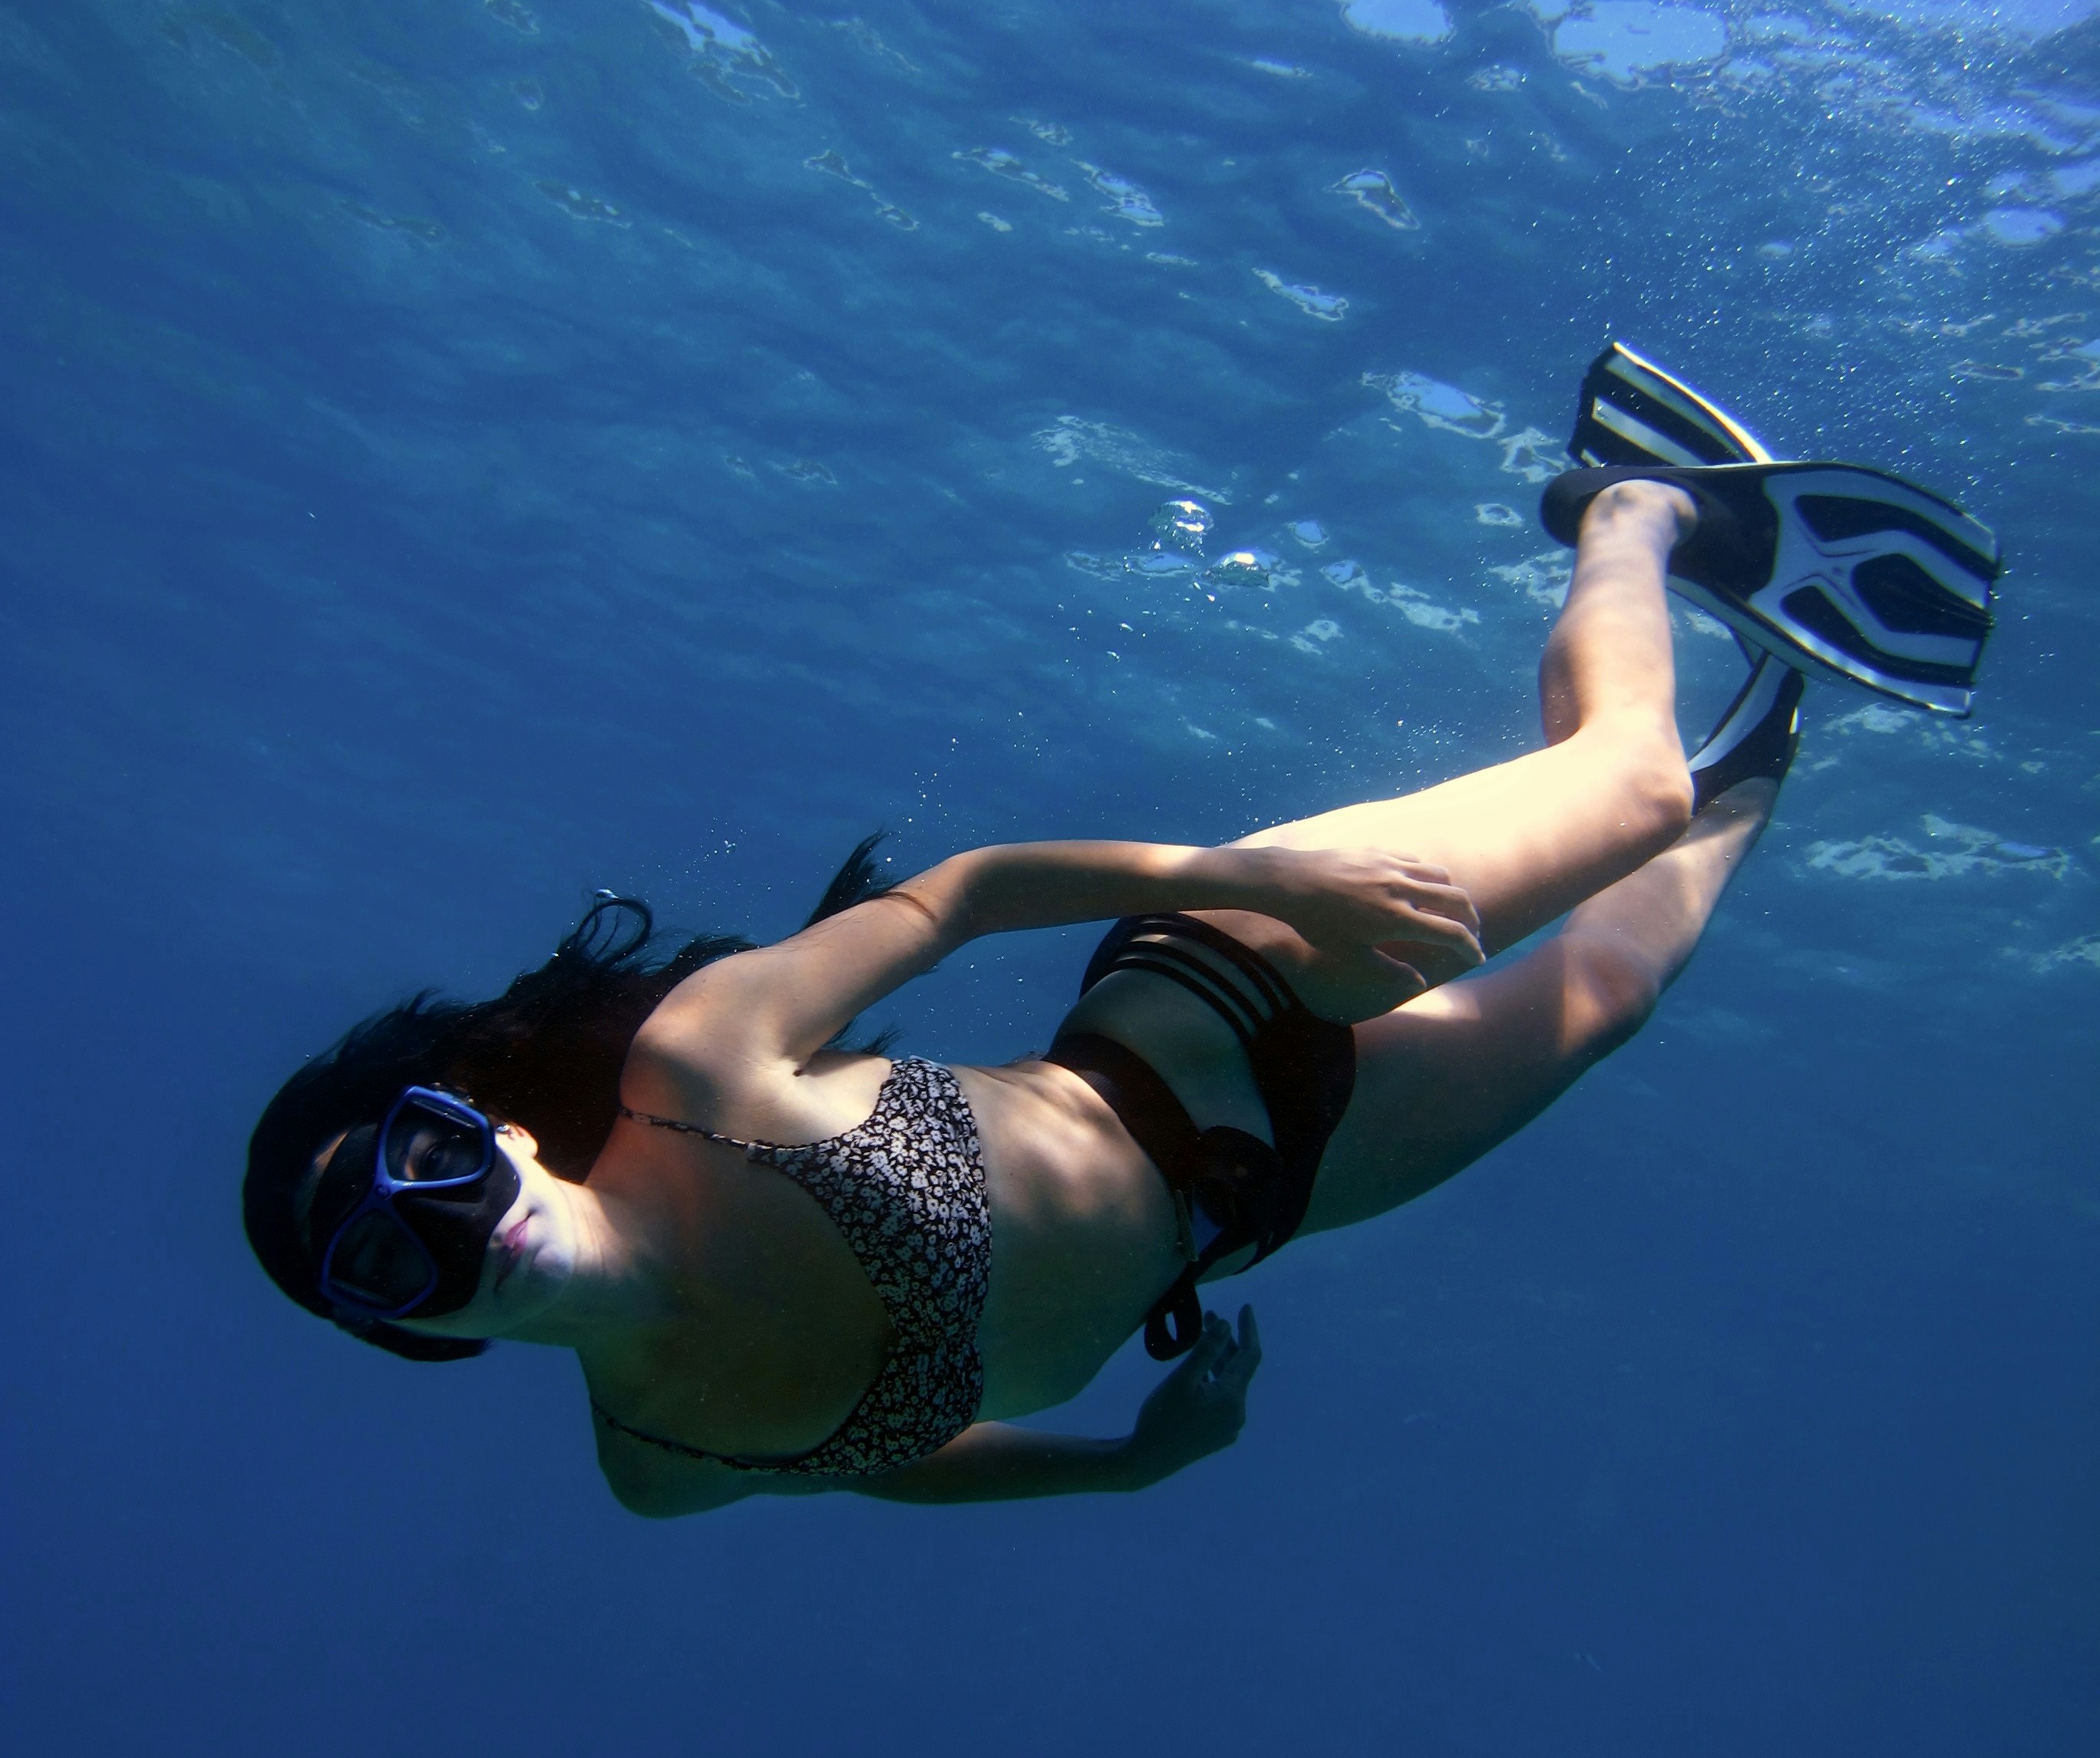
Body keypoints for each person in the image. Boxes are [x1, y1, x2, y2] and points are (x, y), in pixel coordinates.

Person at [244, 349, 1994, 1516]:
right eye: (390, 1258)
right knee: (1613, 992)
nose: (454, 1234)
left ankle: (1637, 515)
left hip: (1212, 987)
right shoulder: (666, 1459)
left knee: (1623, 797)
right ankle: (1770, 736)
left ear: (484, 1126)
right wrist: (1128, 1464)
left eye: (427, 1165)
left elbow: (968, 894)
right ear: (397, 1327)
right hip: (1253, 1205)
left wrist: (1279, 884)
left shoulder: (696, 1072)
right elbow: (885, 1461)